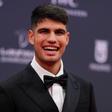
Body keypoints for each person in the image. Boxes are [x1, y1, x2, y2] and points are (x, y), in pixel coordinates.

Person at [0, 4, 97, 112]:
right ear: (31, 37)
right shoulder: (9, 90)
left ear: (67, 39)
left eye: (59, 32)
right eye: (44, 31)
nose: (52, 39)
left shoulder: (85, 89)